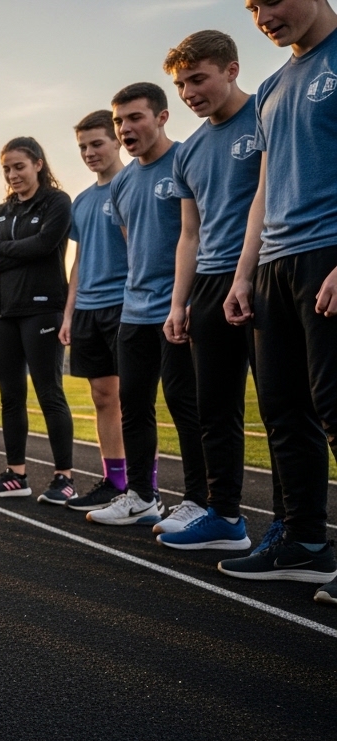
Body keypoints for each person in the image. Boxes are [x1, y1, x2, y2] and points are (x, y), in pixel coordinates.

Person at [219, 0, 337, 599]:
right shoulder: (270, 86)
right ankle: (307, 544)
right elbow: (264, 187)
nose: (263, 16)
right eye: (251, 6)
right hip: (273, 266)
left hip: (329, 253)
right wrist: (244, 275)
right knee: (285, 412)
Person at [156, 30, 265, 550]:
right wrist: (179, 302)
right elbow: (189, 235)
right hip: (207, 285)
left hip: (264, 273)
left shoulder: (266, 114)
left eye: (197, 79)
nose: (188, 93)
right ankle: (225, 517)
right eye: (179, 85)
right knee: (215, 410)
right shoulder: (189, 150)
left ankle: (294, 526)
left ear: (232, 69)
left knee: (284, 405)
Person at [86, 83, 207, 527]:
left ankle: (199, 499)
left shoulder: (186, 161)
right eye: (119, 120)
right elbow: (131, 247)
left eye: (135, 117)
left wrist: (188, 300)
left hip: (179, 309)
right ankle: (140, 495)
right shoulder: (120, 184)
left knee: (185, 405)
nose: (125, 128)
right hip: (133, 312)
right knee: (133, 405)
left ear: (162, 116)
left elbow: (198, 234)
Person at [0, 138, 76, 503]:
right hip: (3, 313)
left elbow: (45, 245)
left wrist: (3, 249)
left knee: (50, 393)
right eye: (6, 168)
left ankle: (64, 476)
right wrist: (14, 250)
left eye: (19, 166)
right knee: (11, 397)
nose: (12, 174)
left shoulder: (57, 202)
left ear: (37, 163)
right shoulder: (1, 211)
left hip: (43, 309)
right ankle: (16, 474)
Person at [61, 111, 131, 513]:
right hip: (88, 308)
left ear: (117, 140)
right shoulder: (83, 201)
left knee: (132, 399)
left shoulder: (130, 184)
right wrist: (69, 313)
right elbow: (79, 259)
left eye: (97, 143)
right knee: (102, 396)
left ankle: (143, 486)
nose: (89, 152)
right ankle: (115, 480)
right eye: (83, 147)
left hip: (125, 304)